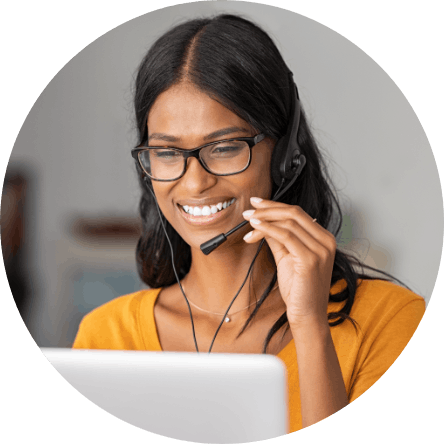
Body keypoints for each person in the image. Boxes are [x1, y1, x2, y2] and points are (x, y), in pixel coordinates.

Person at [73, 14, 425, 433]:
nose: (195, 182)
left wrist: (311, 328)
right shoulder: (106, 336)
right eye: (166, 153)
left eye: (223, 147)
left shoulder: (391, 320)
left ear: (285, 153)